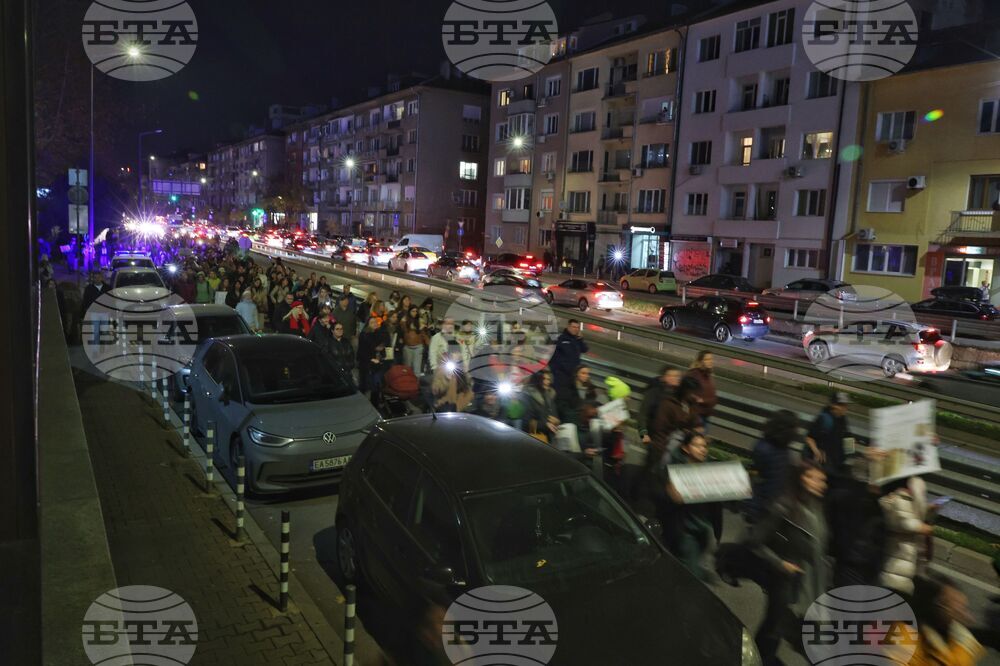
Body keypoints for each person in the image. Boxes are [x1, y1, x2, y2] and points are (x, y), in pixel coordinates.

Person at [742, 461, 829, 666]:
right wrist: (781, 564)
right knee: (774, 626)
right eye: (816, 478)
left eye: (823, 480)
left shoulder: (814, 506)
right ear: (802, 478)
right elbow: (754, 541)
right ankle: (753, 659)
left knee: (776, 626)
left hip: (807, 580)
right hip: (784, 579)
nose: (821, 484)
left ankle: (757, 657)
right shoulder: (784, 506)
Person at [659, 431, 721, 581]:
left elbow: (716, 505)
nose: (702, 449)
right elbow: (661, 496)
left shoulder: (710, 470)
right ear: (686, 449)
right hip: (684, 532)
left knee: (685, 567)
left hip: (702, 531)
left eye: (704, 446)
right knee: (692, 574)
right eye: (697, 446)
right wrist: (671, 494)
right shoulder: (674, 471)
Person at [909, 573, 985, 666]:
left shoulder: (945, 638)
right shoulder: (905, 638)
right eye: (959, 609)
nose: (970, 618)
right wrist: (964, 648)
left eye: (964, 609)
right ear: (938, 606)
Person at [880, 476, 933, 596]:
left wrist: (929, 510)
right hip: (898, 555)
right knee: (895, 591)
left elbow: (913, 514)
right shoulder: (899, 496)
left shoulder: (907, 496)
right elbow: (904, 522)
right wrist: (922, 528)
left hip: (906, 554)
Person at [748, 410, 801, 522]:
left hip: (775, 506)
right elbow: (755, 480)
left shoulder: (783, 447)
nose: (797, 431)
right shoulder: (764, 449)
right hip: (763, 507)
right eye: (794, 428)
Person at [803, 391, 854, 479]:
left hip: (836, 463)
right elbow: (809, 437)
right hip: (823, 464)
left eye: (846, 405)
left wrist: (849, 452)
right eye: (842, 405)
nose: (845, 408)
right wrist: (816, 451)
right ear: (833, 405)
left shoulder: (843, 419)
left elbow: (847, 436)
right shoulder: (824, 419)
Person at [637, 366, 681, 445]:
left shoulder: (678, 395)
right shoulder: (653, 393)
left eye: (677, 376)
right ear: (663, 378)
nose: (676, 378)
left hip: (670, 438)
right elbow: (643, 414)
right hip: (654, 436)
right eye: (671, 376)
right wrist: (643, 434)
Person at [548, 320, 588, 399]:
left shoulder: (577, 340)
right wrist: (554, 370)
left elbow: (585, 349)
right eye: (573, 327)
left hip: (572, 376)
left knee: (567, 396)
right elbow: (551, 356)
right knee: (558, 396)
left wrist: (580, 339)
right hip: (560, 375)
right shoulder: (561, 339)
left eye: (577, 327)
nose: (575, 329)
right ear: (568, 327)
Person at [521, 370, 560, 442]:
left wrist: (557, 421)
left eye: (548, 379)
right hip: (534, 437)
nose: (547, 382)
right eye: (544, 379)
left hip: (550, 436)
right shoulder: (528, 396)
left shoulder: (549, 397)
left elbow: (555, 416)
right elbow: (526, 423)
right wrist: (545, 425)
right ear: (537, 379)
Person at [357, 317, 389, 398]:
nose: (374, 323)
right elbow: (361, 351)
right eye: (372, 322)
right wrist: (371, 359)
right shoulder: (364, 335)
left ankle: (376, 403)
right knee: (368, 385)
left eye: (375, 322)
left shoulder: (378, 333)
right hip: (367, 363)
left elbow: (384, 344)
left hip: (378, 362)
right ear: (368, 324)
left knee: (377, 384)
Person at [686, 351, 717, 430]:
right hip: (697, 416)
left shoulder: (708, 375)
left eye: (711, 359)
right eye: (707, 359)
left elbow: (712, 395)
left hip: (706, 415)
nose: (710, 361)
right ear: (700, 361)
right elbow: (685, 391)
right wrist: (699, 400)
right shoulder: (694, 374)